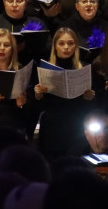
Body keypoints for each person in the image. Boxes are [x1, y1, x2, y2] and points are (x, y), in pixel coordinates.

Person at [32, 27, 99, 158]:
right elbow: (38, 106)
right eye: (61, 43)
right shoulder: (45, 69)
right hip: (52, 127)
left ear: (76, 46)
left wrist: (90, 97)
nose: (66, 47)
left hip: (77, 125)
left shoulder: (85, 68)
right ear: (55, 46)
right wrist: (38, 94)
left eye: (70, 43)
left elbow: (94, 105)